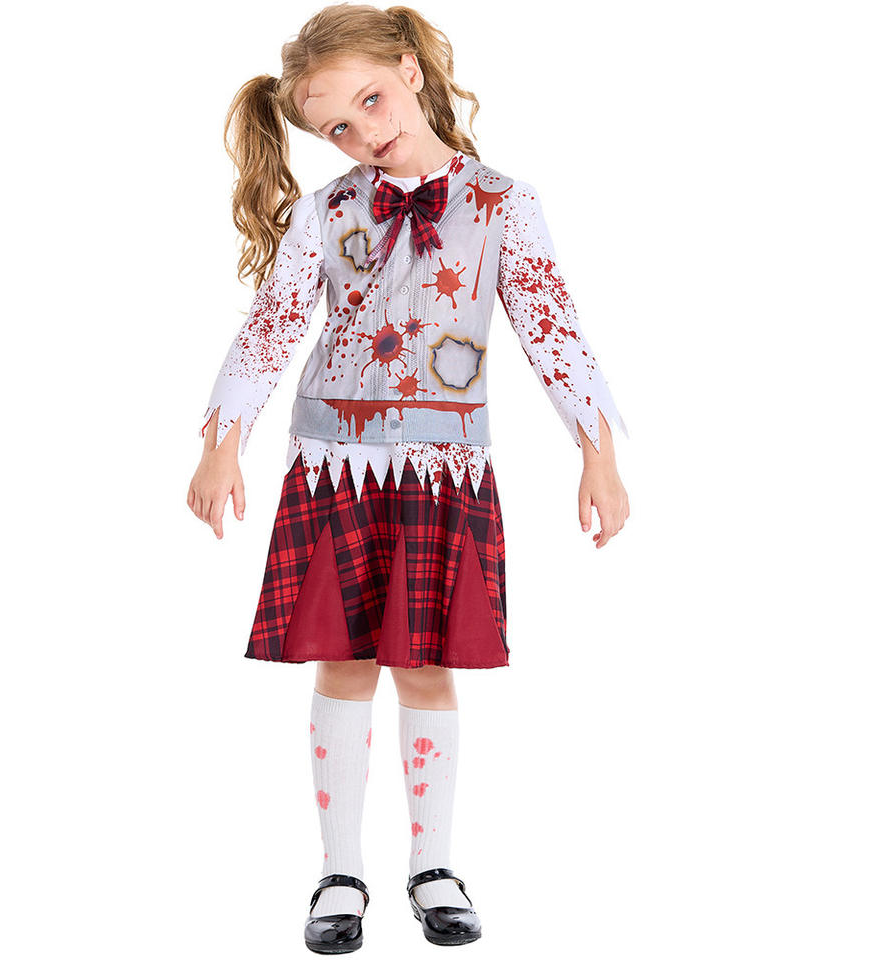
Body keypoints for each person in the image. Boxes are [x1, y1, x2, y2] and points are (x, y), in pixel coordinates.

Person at [187, 3, 630, 952]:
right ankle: (339, 872)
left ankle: (433, 865)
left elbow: (551, 327)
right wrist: (224, 439)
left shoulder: (503, 204)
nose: (364, 132)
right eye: (337, 128)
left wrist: (596, 451)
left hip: (442, 468)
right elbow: (271, 326)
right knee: (344, 661)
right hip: (334, 466)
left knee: (426, 667)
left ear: (410, 70)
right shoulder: (327, 211)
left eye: (371, 100)